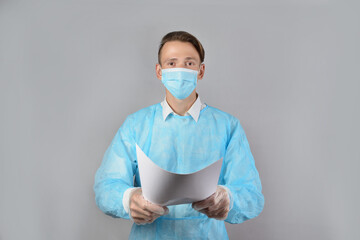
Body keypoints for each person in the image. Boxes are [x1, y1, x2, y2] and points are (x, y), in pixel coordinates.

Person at [94, 31, 264, 239]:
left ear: (201, 71)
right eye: (172, 63)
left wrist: (228, 199)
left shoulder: (227, 126)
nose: (180, 70)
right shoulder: (136, 125)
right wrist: (129, 199)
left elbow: (252, 195)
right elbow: (106, 186)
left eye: (189, 63)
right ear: (159, 71)